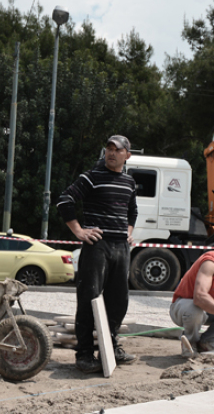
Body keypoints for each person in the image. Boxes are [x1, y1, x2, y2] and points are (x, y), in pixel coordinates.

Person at [57, 135, 137, 373]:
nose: (111, 153)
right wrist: (79, 231)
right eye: (108, 149)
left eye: (117, 150)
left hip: (121, 247)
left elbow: (132, 211)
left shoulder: (129, 182)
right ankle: (84, 355)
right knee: (89, 298)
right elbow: (65, 201)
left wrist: (128, 232)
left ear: (127, 155)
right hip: (97, 246)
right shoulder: (91, 177)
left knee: (118, 300)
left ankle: (110, 349)